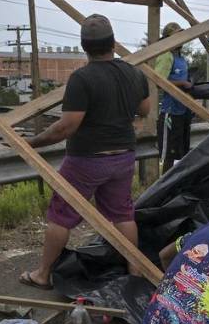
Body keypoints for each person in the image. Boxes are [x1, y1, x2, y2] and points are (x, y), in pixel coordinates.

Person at [19, 14, 152, 289]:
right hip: (124, 156)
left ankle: (43, 274)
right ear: (114, 43)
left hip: (87, 160)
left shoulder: (82, 78)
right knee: (123, 214)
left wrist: (31, 142)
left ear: (84, 47)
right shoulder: (134, 72)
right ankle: (136, 272)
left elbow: (66, 127)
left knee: (61, 214)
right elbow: (144, 110)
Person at [154, 22, 193, 173]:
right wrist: (181, 83)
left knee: (181, 153)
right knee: (168, 154)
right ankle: (163, 186)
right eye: (177, 35)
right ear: (168, 38)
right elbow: (159, 81)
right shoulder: (166, 55)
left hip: (183, 110)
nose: (181, 38)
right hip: (170, 112)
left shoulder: (181, 58)